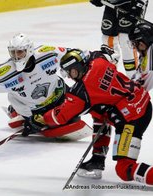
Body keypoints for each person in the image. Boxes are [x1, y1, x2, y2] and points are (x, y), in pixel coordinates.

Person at [42, 48, 153, 185]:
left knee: (124, 169)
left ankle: (99, 158)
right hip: (141, 100)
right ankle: (98, 159)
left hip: (132, 119)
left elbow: (58, 117)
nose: (70, 77)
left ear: (77, 67)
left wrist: (41, 117)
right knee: (98, 111)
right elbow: (108, 53)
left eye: (71, 72)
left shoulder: (82, 94)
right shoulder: (97, 59)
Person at [90, 0, 148, 78]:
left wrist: (139, 4)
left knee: (126, 39)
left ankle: (133, 78)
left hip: (132, 3)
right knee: (107, 39)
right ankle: (111, 77)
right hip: (111, 3)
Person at [129, 22, 153, 91]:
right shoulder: (146, 53)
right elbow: (138, 74)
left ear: (142, 44)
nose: (134, 47)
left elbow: (140, 88)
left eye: (134, 43)